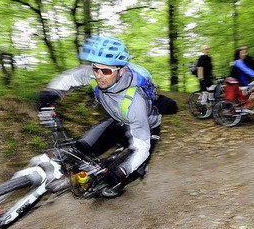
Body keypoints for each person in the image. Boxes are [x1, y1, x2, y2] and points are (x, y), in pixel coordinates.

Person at [37, 35, 162, 199]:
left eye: (106, 71)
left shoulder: (135, 102)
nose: (99, 75)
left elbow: (142, 148)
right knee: (80, 150)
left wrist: (121, 171)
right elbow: (72, 77)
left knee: (131, 171)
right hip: (118, 119)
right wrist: (51, 92)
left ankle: (121, 183)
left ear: (121, 71)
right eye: (96, 69)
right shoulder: (97, 74)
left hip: (146, 126)